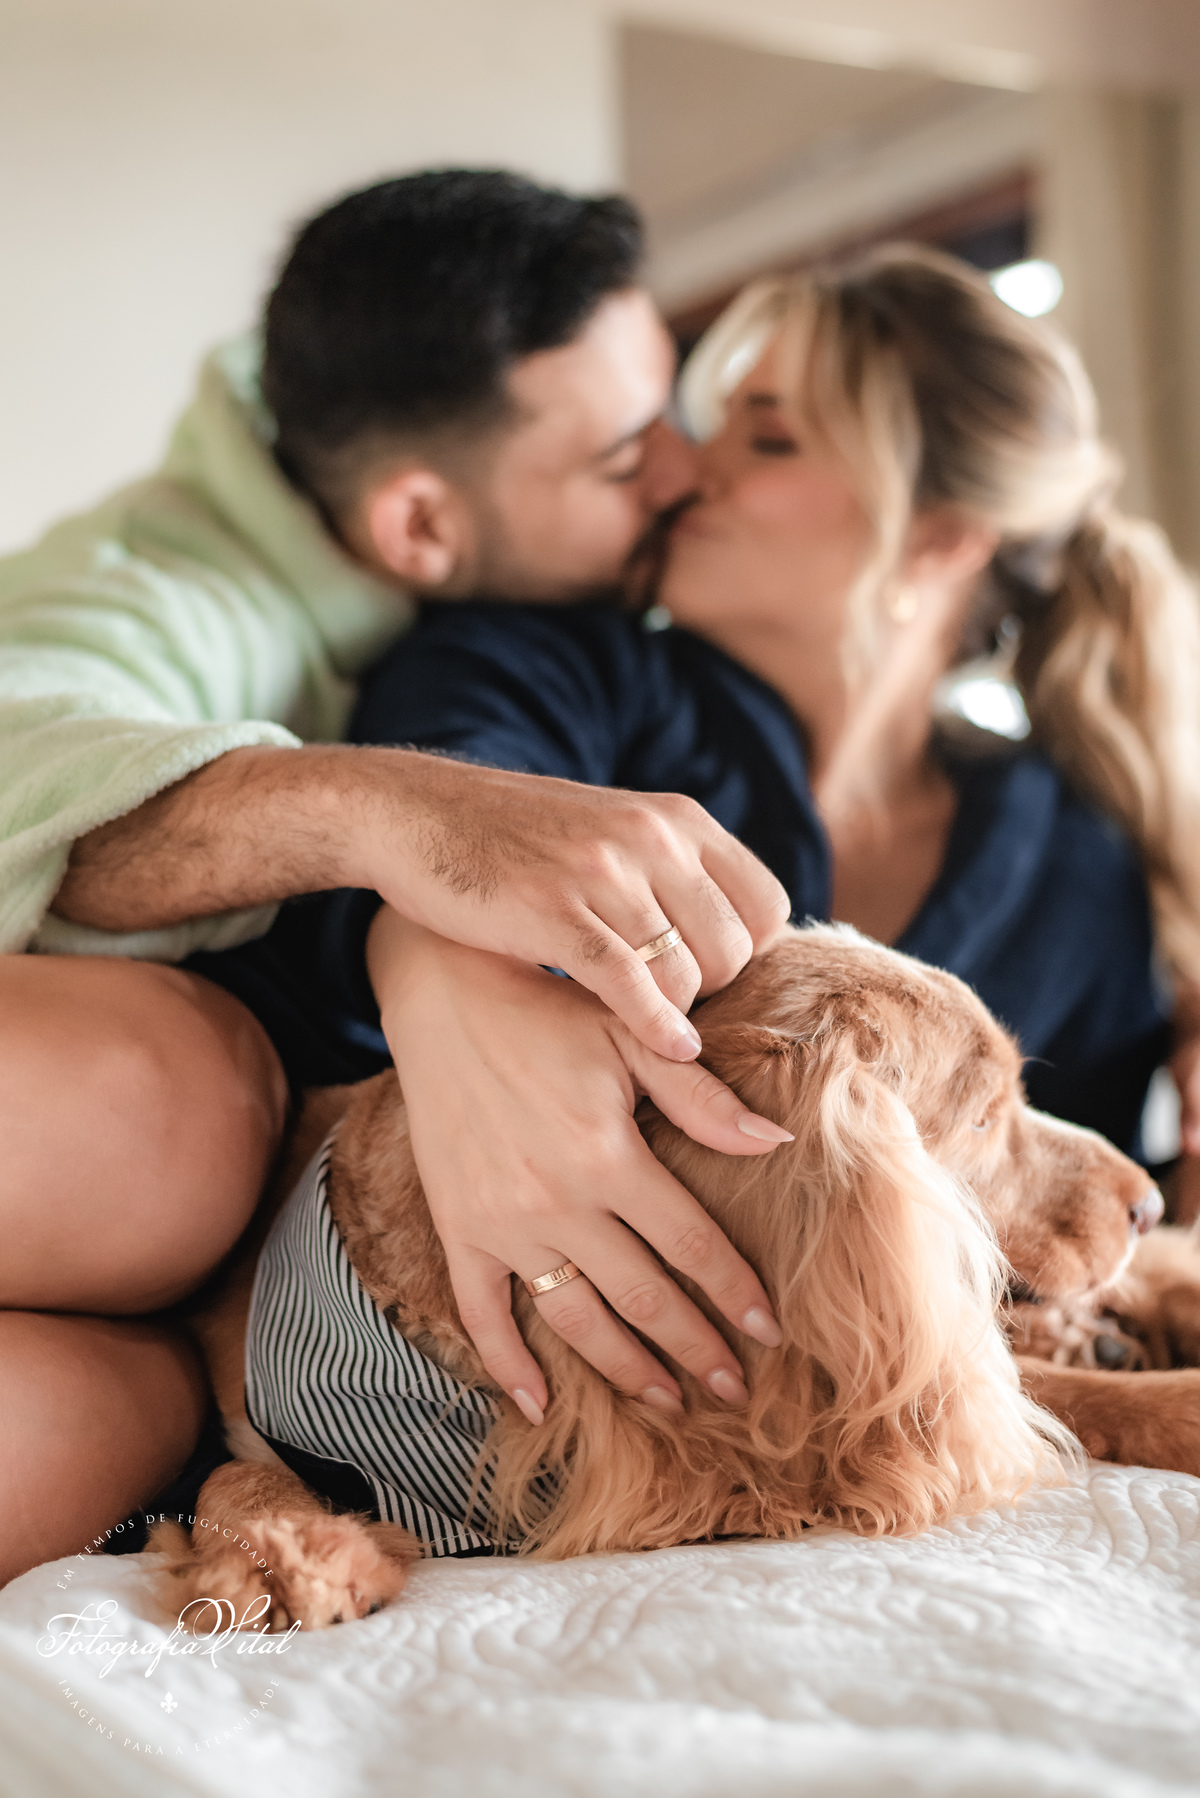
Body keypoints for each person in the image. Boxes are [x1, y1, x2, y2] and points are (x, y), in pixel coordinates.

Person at [0, 170, 794, 1584]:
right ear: (420, 525)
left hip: (188, 1309)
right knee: (175, 1102)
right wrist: (395, 826)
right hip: (115, 1149)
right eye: (625, 459)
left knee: (100, 1425)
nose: (687, 474)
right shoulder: (150, 592)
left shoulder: (586, 663)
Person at [316, 246, 1200, 1245]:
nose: (691, 468)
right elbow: (420, 833)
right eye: (717, 423)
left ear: (942, 536)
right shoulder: (546, 672)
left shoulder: (1079, 865)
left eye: (769, 440)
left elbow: (1070, 1250)